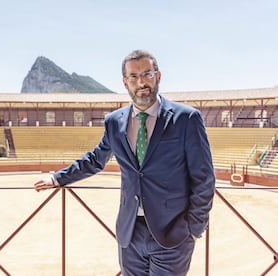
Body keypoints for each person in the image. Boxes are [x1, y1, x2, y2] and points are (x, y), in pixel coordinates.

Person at [34, 49, 215, 275]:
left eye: (147, 74)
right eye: (134, 77)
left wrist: (193, 229)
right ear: (125, 82)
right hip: (130, 234)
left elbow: (204, 179)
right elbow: (95, 160)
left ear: (158, 76)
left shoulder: (186, 118)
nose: (141, 82)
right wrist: (56, 177)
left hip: (172, 233)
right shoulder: (114, 122)